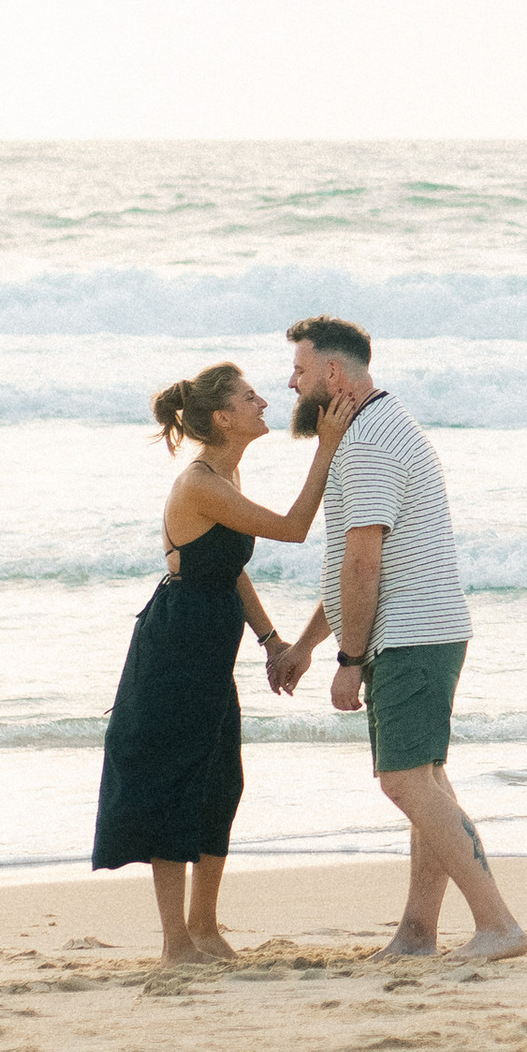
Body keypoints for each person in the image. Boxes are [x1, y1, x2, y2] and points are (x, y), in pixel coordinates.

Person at [270, 313, 527, 962]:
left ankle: (498, 923)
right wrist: (305, 644)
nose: (291, 384)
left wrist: (348, 660)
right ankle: (417, 934)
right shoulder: (380, 427)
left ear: (332, 373)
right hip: (426, 628)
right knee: (425, 780)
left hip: (409, 633)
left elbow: (365, 565)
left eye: (299, 370)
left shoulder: (369, 444)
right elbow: (350, 568)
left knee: (405, 782)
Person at [93, 364, 342, 960]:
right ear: (224, 418)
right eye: (248, 396)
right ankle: (176, 941)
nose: (263, 401)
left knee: (219, 782)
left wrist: (272, 640)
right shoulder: (201, 482)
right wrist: (327, 447)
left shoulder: (226, 470)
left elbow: (228, 567)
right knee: (173, 780)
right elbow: (294, 527)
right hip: (174, 651)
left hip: (208, 649)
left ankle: (204, 927)